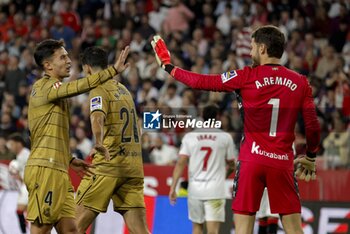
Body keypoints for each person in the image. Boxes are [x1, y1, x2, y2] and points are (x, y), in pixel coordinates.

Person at [152, 25, 321, 234]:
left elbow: (202, 82)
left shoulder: (246, 76)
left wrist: (169, 67)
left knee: (243, 230)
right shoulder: (301, 82)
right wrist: (311, 157)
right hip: (282, 163)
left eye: (251, 47)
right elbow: (313, 126)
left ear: (262, 48)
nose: (250, 52)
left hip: (251, 161)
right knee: (295, 230)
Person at [24, 39, 129, 234]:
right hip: (45, 170)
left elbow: (48, 133)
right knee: (41, 229)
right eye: (62, 57)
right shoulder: (43, 87)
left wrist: (69, 159)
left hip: (59, 168)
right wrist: (112, 70)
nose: (69, 61)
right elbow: (79, 86)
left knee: (71, 230)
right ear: (47, 65)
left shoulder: (55, 93)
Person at [75, 46, 149, 234]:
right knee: (141, 231)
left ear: (87, 68)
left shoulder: (98, 88)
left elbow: (97, 117)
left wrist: (98, 142)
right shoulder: (124, 90)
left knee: (72, 227)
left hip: (107, 166)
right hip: (132, 167)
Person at [169, 105, 236, 234]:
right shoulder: (225, 137)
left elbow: (181, 162)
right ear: (218, 117)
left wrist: (173, 187)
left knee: (197, 228)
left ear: (203, 117)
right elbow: (232, 165)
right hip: (215, 189)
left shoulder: (190, 137)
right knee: (213, 231)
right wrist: (222, 176)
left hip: (195, 189)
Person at [7, 133, 30, 234]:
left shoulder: (26, 154)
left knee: (20, 210)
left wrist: (18, 175)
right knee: (23, 211)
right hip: (25, 185)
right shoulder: (20, 155)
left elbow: (30, 174)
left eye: (12, 144)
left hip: (29, 186)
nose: (10, 147)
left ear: (19, 143)